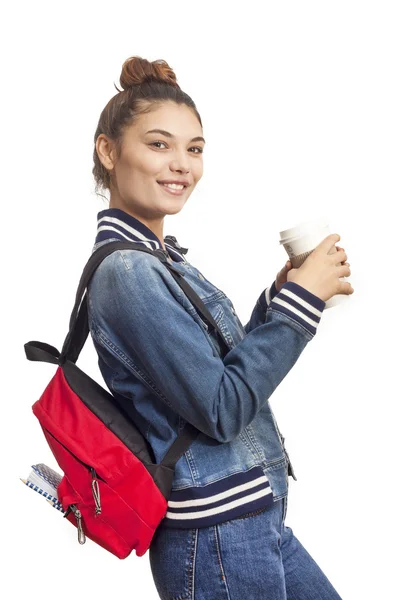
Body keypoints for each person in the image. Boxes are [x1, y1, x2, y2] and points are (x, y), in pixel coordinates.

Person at [87, 55, 353, 600]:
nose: (182, 164)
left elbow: (222, 373)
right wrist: (302, 302)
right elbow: (222, 408)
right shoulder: (128, 272)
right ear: (109, 151)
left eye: (195, 148)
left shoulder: (159, 260)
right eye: (159, 144)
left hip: (253, 518)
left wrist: (281, 297)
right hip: (216, 536)